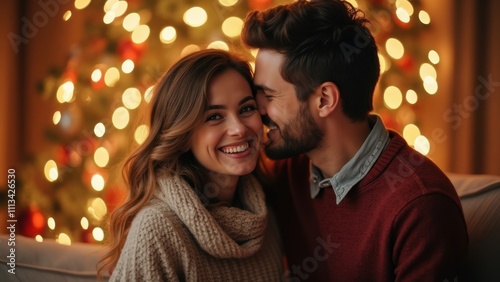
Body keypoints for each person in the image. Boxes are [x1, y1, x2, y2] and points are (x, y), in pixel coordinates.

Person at [241, 0, 468, 281]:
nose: (257, 109)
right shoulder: (287, 170)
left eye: (269, 95)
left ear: (324, 100)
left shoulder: (420, 207)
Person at [99, 49, 283, 281]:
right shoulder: (157, 229)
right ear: (183, 136)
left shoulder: (268, 212)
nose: (238, 129)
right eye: (214, 116)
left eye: (246, 109)